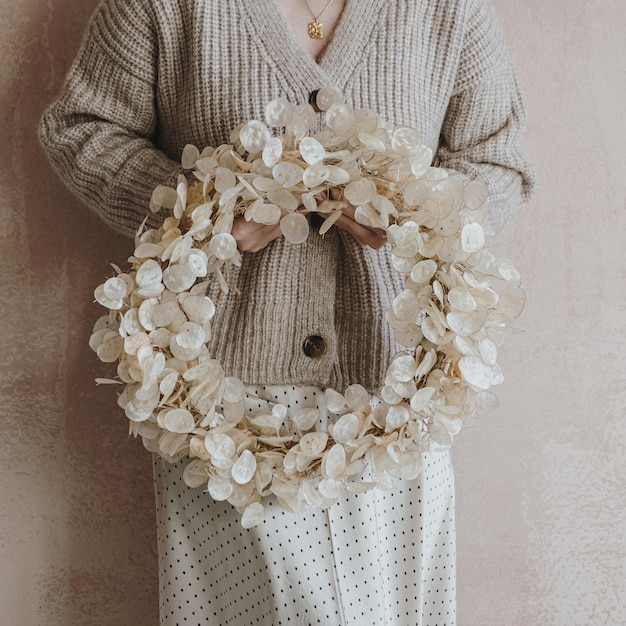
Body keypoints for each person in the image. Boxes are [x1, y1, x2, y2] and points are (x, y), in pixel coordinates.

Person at [39, 0, 535, 624]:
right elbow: (82, 129)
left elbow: (499, 160)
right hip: (222, 413)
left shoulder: (448, 10)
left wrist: (412, 213)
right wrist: (201, 215)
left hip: (393, 404)